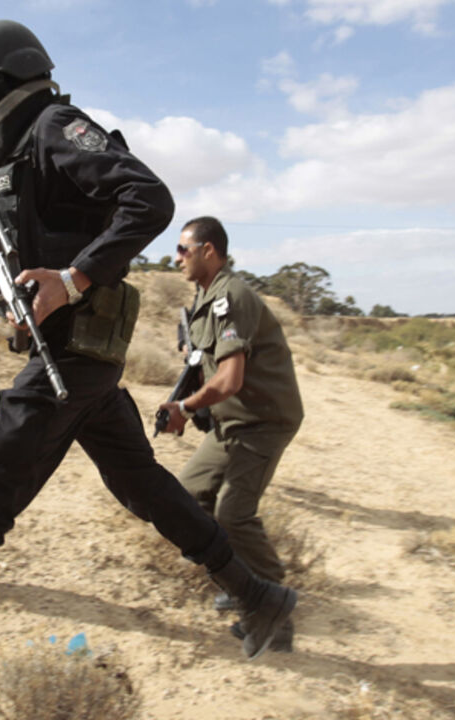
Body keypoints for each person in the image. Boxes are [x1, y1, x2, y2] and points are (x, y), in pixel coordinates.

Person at [0, 21, 297, 720]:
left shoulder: (53, 126)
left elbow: (150, 200)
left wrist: (72, 279)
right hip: (78, 361)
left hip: (70, 356)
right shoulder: (6, 156)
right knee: (145, 486)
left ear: (7, 80)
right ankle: (262, 597)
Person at [157, 216, 304, 649]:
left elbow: (230, 380)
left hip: (263, 420)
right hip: (230, 422)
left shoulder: (231, 297)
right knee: (186, 499)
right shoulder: (204, 298)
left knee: (233, 514)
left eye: (184, 249)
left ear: (209, 250)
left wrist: (184, 407)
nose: (177, 256)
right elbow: (203, 362)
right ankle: (244, 588)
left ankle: (275, 616)